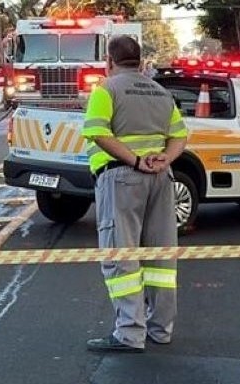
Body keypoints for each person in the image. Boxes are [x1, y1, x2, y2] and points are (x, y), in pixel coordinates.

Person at [81, 35, 188, 353]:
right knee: (161, 255)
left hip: (121, 179)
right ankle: (161, 329)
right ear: (140, 62)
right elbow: (179, 136)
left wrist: (135, 160)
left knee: (121, 254)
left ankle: (129, 332)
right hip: (161, 179)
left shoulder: (107, 89)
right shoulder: (160, 91)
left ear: (110, 62)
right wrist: (164, 160)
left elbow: (97, 132)